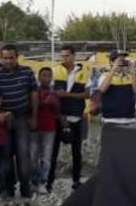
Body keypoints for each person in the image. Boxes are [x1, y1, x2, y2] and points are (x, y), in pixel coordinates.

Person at [0, 44, 37, 198]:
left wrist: (34, 116)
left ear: (17, 57)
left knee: (24, 155)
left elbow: (34, 95)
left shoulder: (27, 72)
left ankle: (26, 187)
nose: (8, 61)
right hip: (4, 119)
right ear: (1, 58)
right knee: (5, 156)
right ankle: (8, 189)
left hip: (22, 117)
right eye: (5, 58)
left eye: (11, 58)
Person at [49, 46, 89, 192]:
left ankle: (76, 180)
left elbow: (87, 94)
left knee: (76, 151)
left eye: (67, 56)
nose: (64, 58)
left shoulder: (84, 72)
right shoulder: (55, 71)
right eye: (63, 56)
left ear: (74, 56)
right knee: (53, 151)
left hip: (76, 116)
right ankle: (49, 181)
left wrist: (67, 95)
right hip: (58, 117)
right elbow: (51, 94)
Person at [30, 67, 60, 195]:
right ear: (39, 77)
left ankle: (42, 182)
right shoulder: (33, 92)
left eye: (49, 76)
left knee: (46, 158)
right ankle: (34, 182)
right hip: (34, 129)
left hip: (49, 128)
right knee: (33, 157)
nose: (46, 78)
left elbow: (58, 112)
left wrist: (54, 103)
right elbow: (29, 108)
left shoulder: (54, 93)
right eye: (44, 75)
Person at [98, 51, 136, 126]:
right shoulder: (105, 76)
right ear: (112, 62)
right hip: (110, 119)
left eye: (124, 60)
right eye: (119, 61)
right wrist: (113, 70)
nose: (122, 63)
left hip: (129, 119)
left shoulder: (129, 77)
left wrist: (132, 72)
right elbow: (102, 89)